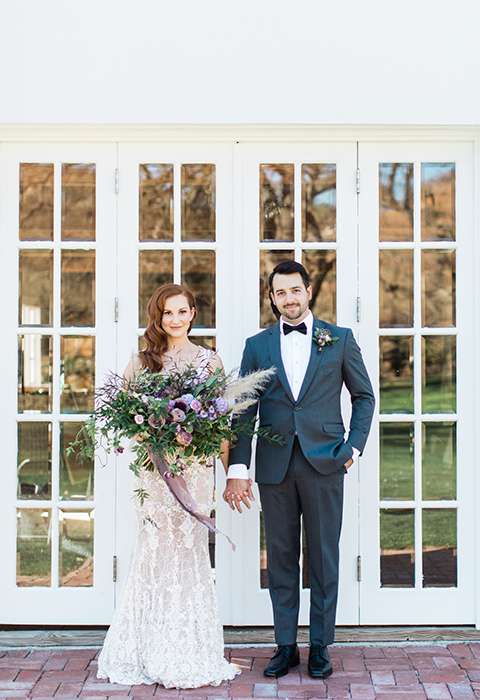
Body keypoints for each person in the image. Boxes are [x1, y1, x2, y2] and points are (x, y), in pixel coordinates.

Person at [224, 261, 375, 680]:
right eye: (280, 293)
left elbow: (364, 396)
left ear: (309, 291)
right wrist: (239, 466)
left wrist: (352, 450)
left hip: (325, 462)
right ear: (271, 298)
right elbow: (243, 409)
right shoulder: (257, 345)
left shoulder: (339, 339)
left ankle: (321, 645)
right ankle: (286, 645)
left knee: (324, 557)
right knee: (281, 558)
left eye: (295, 290)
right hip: (275, 466)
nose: (288, 299)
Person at [97, 284, 239, 689]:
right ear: (156, 318)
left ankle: (189, 648)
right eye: (166, 313)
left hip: (194, 472)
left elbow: (222, 425)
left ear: (193, 313)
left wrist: (231, 472)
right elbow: (124, 415)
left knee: (192, 554)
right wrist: (153, 437)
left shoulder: (210, 362)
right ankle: (146, 648)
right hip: (156, 475)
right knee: (155, 552)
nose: (174, 320)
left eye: (181, 311)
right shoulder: (142, 361)